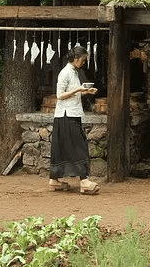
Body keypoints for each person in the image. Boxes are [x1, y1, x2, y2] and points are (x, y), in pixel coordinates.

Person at [49, 45, 100, 194]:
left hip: (71, 114)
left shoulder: (75, 72)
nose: (84, 63)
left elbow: (71, 94)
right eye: (83, 60)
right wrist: (78, 89)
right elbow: (60, 95)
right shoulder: (65, 73)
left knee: (62, 147)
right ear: (76, 59)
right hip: (66, 115)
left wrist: (86, 92)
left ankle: (54, 181)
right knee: (80, 146)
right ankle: (84, 182)